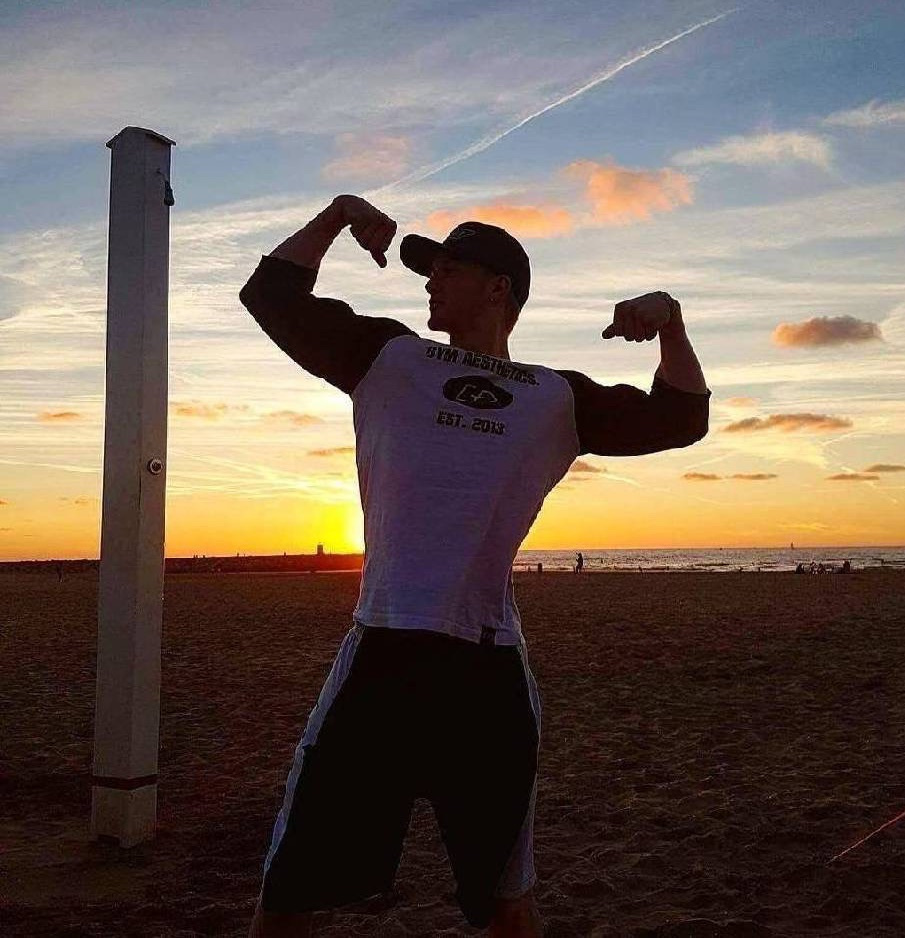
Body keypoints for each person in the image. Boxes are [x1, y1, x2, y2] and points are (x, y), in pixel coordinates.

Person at [238, 194, 711, 937]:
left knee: (506, 902)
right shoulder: (387, 356)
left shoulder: (555, 397)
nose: (430, 281)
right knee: (291, 889)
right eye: (430, 270)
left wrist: (672, 322)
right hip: (383, 654)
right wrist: (337, 215)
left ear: (498, 288)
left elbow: (683, 417)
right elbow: (271, 295)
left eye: (449, 269)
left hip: (488, 670)